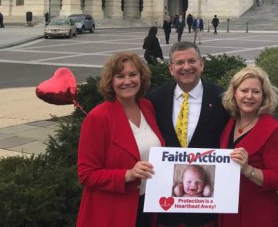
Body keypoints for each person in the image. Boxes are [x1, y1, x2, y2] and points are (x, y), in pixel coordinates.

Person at [146, 41, 229, 227]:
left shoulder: (222, 99)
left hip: (206, 211)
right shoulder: (155, 99)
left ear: (201, 64)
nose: (186, 67)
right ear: (171, 68)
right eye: (179, 62)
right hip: (166, 209)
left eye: (192, 61)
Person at [77, 52, 165, 227]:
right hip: (114, 211)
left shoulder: (147, 107)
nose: (127, 81)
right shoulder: (98, 117)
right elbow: (86, 174)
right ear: (111, 82)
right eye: (120, 76)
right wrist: (128, 174)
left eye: (133, 74)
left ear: (141, 77)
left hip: (148, 205)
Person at [218, 66, 278, 227]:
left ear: (264, 96)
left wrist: (248, 170)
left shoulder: (273, 129)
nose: (249, 96)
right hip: (228, 210)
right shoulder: (230, 122)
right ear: (234, 93)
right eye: (244, 90)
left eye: (256, 92)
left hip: (257, 214)